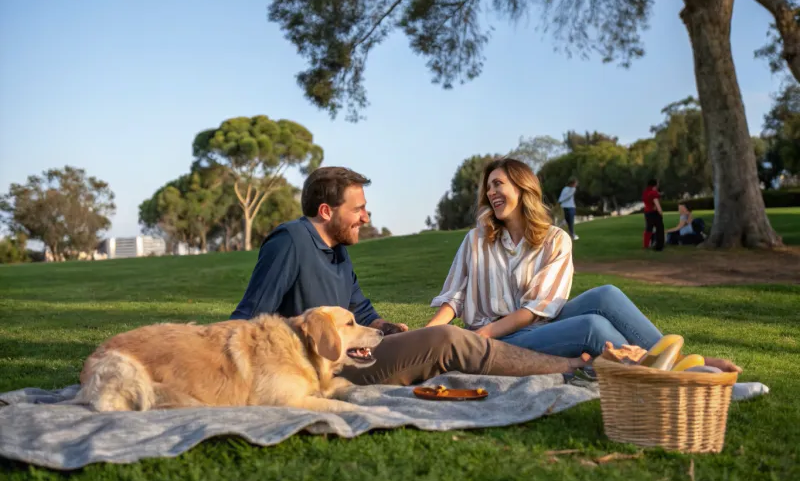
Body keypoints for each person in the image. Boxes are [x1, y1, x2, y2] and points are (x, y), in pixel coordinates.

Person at [231, 166, 592, 386]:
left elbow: (363, 311)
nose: (366, 218)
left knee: (439, 338)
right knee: (449, 340)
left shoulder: (338, 253)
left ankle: (576, 365)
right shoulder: (290, 241)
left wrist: (387, 328)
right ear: (326, 211)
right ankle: (570, 368)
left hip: (355, 353)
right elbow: (249, 315)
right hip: (321, 367)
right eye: (359, 210)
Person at [425, 158, 740, 373]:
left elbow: (538, 308)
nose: (491, 192)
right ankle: (680, 372)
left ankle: (676, 363)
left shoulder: (556, 240)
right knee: (592, 328)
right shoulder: (476, 240)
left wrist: (485, 333)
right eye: (488, 187)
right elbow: (454, 297)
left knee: (606, 294)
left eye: (498, 184)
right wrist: (427, 336)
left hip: (532, 325)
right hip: (497, 339)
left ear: (522, 189)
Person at [642, 179, 664, 251]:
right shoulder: (654, 193)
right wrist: (660, 211)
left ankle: (646, 244)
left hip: (647, 212)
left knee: (649, 228)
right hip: (654, 212)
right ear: (655, 184)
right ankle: (659, 245)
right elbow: (656, 202)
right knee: (659, 228)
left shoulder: (645, 192)